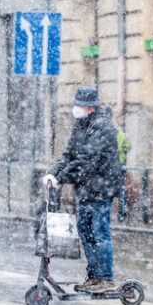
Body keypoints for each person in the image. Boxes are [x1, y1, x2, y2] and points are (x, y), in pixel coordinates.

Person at [42, 86, 122, 293]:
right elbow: (69, 155)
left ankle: (106, 278)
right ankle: (94, 276)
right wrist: (53, 173)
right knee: (86, 233)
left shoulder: (103, 127)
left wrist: (62, 178)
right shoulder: (81, 125)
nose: (75, 108)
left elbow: (88, 160)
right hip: (86, 189)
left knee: (99, 233)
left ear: (89, 107)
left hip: (101, 189)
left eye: (78, 105)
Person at [116, 128, 132, 222]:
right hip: (120, 163)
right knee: (121, 188)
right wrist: (122, 152)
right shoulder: (122, 134)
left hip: (110, 164)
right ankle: (122, 211)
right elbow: (128, 147)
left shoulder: (106, 133)